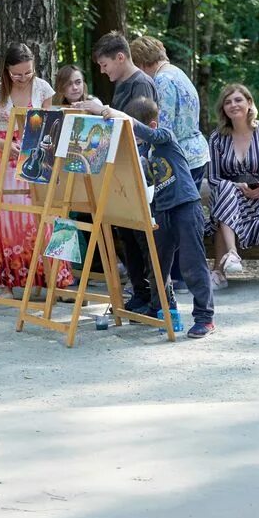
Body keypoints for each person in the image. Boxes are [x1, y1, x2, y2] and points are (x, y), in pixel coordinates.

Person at [73, 95, 215, 338]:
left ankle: (205, 317)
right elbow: (143, 181)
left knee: (192, 264)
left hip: (185, 207)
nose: (134, 139)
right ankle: (161, 308)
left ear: (150, 126)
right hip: (161, 211)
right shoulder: (143, 151)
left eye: (135, 133)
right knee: (158, 267)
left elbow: (136, 127)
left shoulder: (165, 137)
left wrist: (103, 109)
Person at [0, 43, 72, 297]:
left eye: (27, 73)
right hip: (4, 159)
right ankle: (10, 281)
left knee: (44, 216)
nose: (23, 78)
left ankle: (49, 279)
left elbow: (51, 124)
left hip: (38, 157)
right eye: (17, 74)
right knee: (7, 220)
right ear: (6, 70)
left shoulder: (42, 88)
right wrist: (6, 143)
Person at [129, 35, 209, 289]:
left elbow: (163, 127)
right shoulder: (178, 73)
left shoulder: (162, 81)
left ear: (142, 62)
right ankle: (178, 275)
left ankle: (176, 277)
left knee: (174, 218)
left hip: (179, 157)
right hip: (196, 151)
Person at [92, 31, 158, 312]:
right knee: (127, 236)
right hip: (120, 169)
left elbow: (137, 127)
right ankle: (140, 294)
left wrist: (102, 110)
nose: (102, 70)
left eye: (105, 64)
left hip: (138, 170)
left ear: (121, 57)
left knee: (143, 238)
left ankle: (156, 299)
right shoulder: (121, 83)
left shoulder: (141, 84)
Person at [207, 83, 259, 290]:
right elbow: (213, 178)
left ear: (249, 103)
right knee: (226, 191)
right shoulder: (217, 138)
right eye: (228, 102)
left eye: (238, 100)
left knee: (222, 211)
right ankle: (233, 255)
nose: (233, 105)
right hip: (230, 196)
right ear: (223, 109)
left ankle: (219, 271)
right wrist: (237, 187)